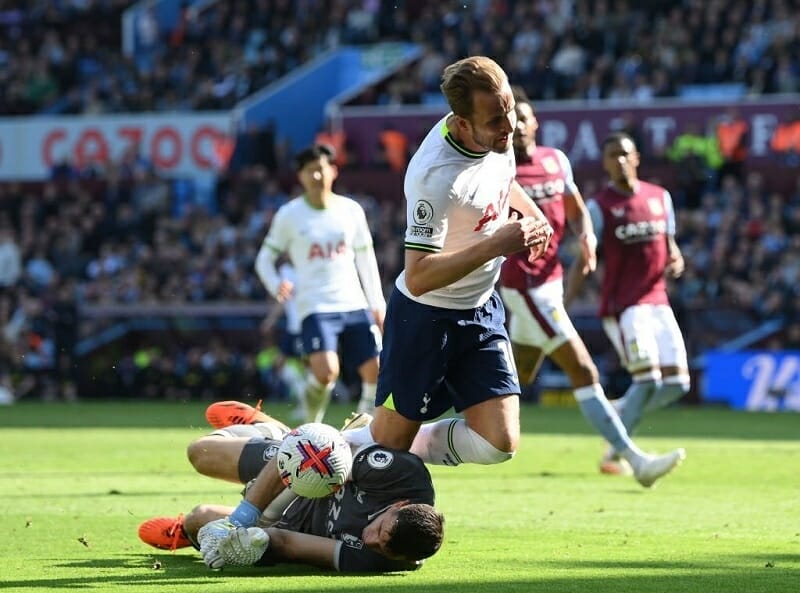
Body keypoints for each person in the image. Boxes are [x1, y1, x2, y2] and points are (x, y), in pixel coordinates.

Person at [498, 88, 685, 482]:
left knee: (516, 375)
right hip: (524, 285)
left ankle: (426, 409)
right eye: (509, 121)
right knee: (584, 371)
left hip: (550, 280)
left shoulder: (556, 160)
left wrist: (584, 235)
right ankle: (635, 461)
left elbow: (576, 210)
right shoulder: (499, 169)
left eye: (523, 119)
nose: (516, 127)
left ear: (534, 124)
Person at [138, 405, 444, 573]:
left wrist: (251, 541)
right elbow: (324, 447)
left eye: (382, 546)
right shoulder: (401, 477)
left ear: (401, 559)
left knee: (199, 518)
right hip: (310, 457)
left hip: (292, 522)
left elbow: (289, 544)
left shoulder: (378, 561)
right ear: (398, 506)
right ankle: (271, 430)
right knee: (200, 453)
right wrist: (244, 517)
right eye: (380, 531)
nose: (370, 539)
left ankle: (187, 533)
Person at [568, 132, 691, 473]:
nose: (619, 160)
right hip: (624, 306)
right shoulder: (599, 206)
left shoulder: (659, 197)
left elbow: (670, 244)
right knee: (648, 380)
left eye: (624, 153)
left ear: (636, 157)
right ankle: (616, 454)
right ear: (605, 162)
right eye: (612, 155)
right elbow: (583, 256)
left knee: (679, 384)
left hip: (658, 300)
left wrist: (676, 260)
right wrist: (565, 300)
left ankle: (618, 412)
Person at [254, 144, 385, 422]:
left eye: (321, 169)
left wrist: (377, 303)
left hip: (353, 302)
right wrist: (275, 283)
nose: (316, 176)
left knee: (375, 369)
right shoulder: (289, 215)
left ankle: (361, 427)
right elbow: (264, 259)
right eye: (309, 171)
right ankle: (310, 427)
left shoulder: (351, 211)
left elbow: (366, 259)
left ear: (334, 171)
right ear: (300, 176)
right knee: (326, 372)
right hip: (314, 305)